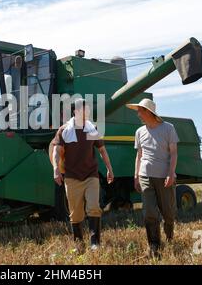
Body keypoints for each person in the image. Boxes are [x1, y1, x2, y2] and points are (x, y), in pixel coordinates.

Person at [52, 98, 114, 252]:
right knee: (76, 213)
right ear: (76, 111)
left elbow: (102, 151)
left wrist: (109, 169)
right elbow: (56, 151)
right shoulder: (64, 130)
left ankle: (95, 243)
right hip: (72, 177)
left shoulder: (92, 129)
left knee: (94, 207)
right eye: (86, 109)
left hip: (91, 175)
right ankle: (79, 244)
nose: (89, 112)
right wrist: (55, 168)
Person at [126, 98, 179, 258]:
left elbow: (174, 152)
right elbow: (139, 155)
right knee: (149, 211)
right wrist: (136, 175)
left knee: (168, 213)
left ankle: (169, 236)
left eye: (140, 111)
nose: (138, 115)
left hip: (164, 176)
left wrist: (171, 173)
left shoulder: (168, 128)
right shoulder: (139, 132)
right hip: (145, 175)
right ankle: (154, 245)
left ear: (149, 112)